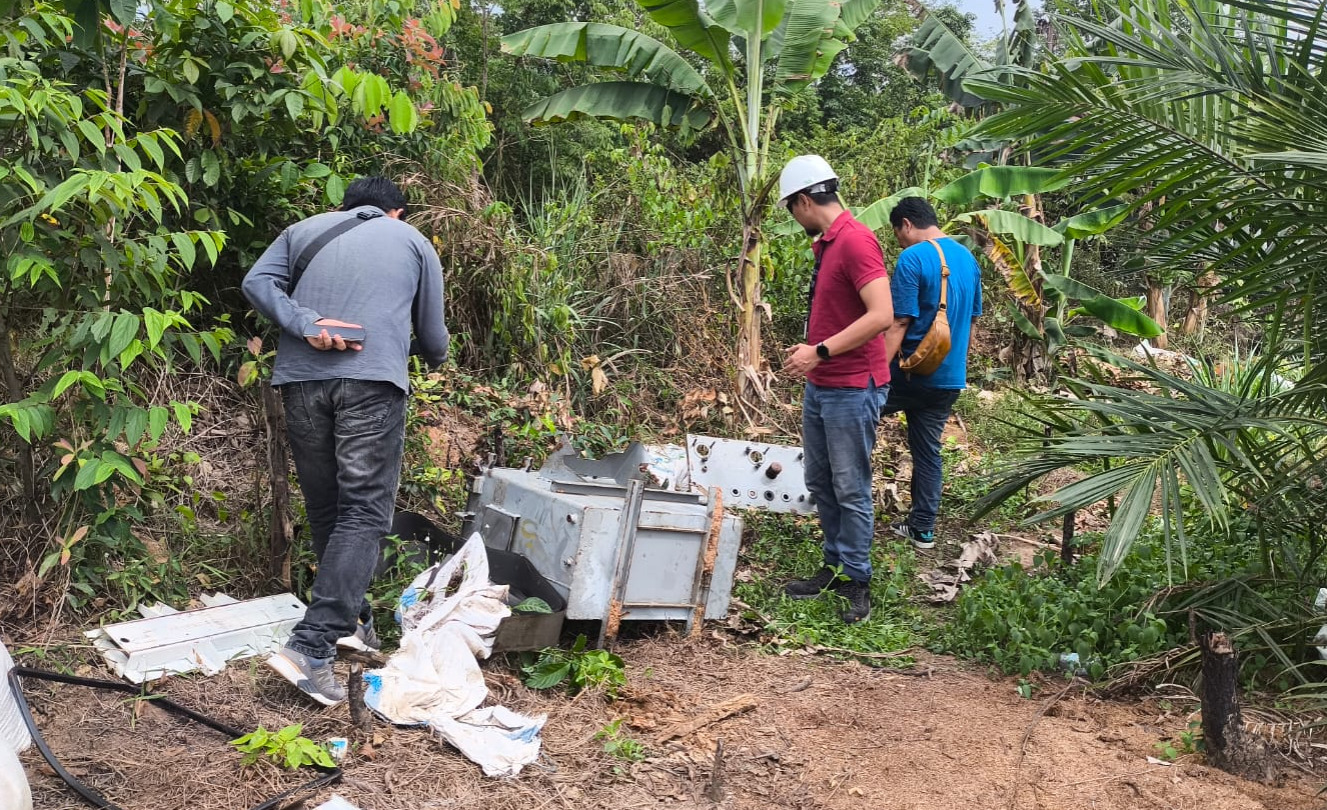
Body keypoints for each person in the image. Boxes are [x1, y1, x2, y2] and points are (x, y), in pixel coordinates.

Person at [242, 177, 450, 705]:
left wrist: (305, 323)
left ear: (345, 207)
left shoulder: (301, 231)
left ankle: (352, 622)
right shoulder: (413, 240)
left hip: (300, 381)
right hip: (370, 383)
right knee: (364, 512)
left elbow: (257, 283)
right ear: (396, 212)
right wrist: (431, 357)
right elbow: (433, 339)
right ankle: (311, 647)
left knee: (329, 508)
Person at [778, 156, 894, 625]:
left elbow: (881, 314)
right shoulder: (826, 244)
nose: (793, 216)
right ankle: (833, 564)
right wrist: (813, 354)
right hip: (822, 384)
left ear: (805, 201)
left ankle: (858, 579)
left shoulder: (856, 241)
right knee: (820, 482)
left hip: (850, 386)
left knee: (850, 487)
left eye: (791, 208)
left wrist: (819, 351)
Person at [882, 197, 981, 551]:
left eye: (898, 234)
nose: (900, 242)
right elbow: (969, 321)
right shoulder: (969, 260)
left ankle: (840, 505)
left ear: (906, 224)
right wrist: (957, 367)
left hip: (909, 373)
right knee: (927, 451)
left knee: (852, 418)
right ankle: (922, 528)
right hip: (948, 377)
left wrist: (876, 372)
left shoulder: (913, 257)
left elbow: (900, 322)